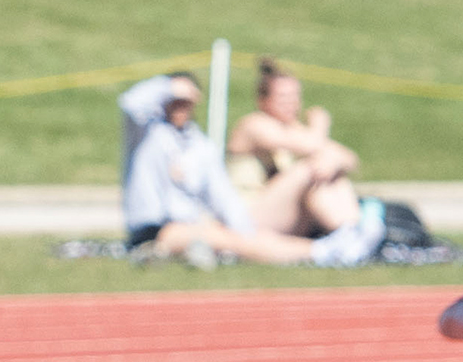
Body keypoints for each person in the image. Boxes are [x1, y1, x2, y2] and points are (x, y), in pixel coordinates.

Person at [123, 78, 383, 268]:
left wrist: (241, 227)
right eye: (175, 101)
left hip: (195, 222)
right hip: (156, 229)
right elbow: (130, 103)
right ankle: (326, 251)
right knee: (232, 240)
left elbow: (220, 193)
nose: (181, 107)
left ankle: (345, 238)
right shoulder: (146, 134)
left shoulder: (199, 145)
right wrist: (169, 86)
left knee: (240, 237)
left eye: (187, 102)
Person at [227, 58, 363, 237]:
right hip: (246, 217)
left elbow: (351, 159)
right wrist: (320, 124)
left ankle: (352, 228)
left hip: (281, 215)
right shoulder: (254, 125)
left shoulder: (294, 130)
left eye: (295, 96)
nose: (291, 103)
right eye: (283, 97)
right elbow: (312, 145)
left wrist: (334, 162)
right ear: (263, 100)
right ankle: (349, 233)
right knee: (311, 168)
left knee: (327, 166)